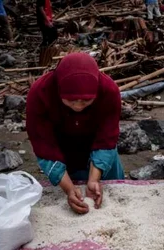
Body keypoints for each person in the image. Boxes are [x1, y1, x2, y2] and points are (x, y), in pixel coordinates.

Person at [26, 53, 125, 215]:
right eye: (71, 101)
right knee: (72, 193)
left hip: (98, 147)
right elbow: (44, 144)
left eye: (86, 101)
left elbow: (106, 138)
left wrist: (94, 180)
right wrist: (69, 189)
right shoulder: (40, 93)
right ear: (59, 90)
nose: (78, 106)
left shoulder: (109, 91)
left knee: (115, 200)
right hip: (61, 147)